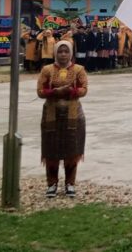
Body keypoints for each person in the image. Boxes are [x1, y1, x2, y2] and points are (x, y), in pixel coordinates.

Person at [37, 40, 88, 198]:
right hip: (51, 116)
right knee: (51, 149)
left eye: (66, 51)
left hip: (73, 116)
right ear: (55, 53)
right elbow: (40, 91)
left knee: (72, 149)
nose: (63, 54)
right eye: (60, 51)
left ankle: (70, 184)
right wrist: (54, 92)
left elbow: (84, 89)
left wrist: (70, 91)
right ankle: (51, 184)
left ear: (71, 53)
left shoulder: (79, 70)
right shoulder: (47, 70)